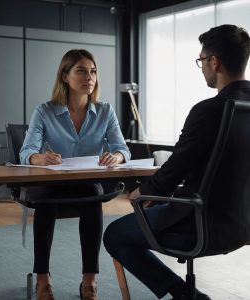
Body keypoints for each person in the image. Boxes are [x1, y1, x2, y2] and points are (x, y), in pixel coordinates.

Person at [103, 24, 250, 300]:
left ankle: (184, 294)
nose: (202, 67)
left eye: (201, 61)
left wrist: (143, 192)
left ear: (214, 62)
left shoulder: (208, 110)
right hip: (244, 222)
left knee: (114, 234)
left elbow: (176, 168)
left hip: (199, 222)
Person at [20, 49, 130, 300]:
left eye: (93, 71)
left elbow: (122, 149)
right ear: (65, 76)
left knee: (93, 198)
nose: (89, 77)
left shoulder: (105, 111)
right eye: (81, 70)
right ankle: (42, 280)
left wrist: (117, 157)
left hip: (85, 184)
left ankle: (89, 281)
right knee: (45, 201)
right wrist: (39, 157)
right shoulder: (44, 111)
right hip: (51, 184)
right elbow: (26, 151)